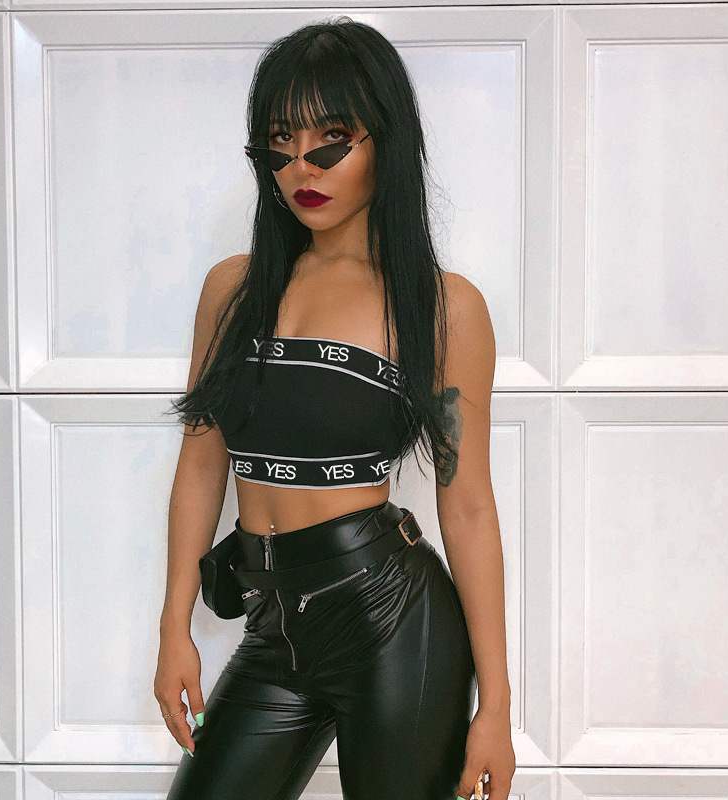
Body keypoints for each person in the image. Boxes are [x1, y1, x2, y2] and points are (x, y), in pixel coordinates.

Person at [155, 16, 515, 800]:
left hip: (394, 620)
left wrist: (497, 705)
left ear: (386, 142)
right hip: (274, 628)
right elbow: (201, 465)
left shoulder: (442, 308)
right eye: (280, 143)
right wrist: (174, 625)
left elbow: (468, 507)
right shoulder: (233, 290)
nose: (301, 168)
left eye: (332, 140)